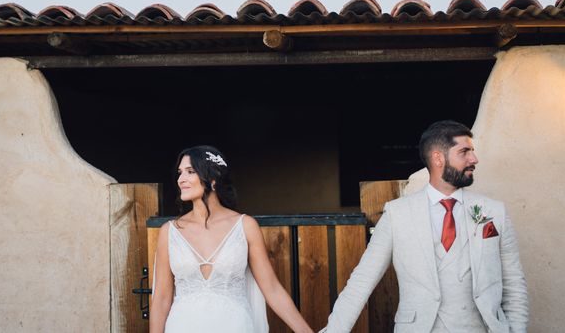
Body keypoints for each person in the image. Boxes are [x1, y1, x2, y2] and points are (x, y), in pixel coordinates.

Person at [322, 121, 529, 333]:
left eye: (473, 152)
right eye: (464, 152)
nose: (474, 159)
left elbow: (514, 285)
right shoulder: (397, 214)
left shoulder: (494, 212)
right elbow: (362, 280)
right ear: (438, 158)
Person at [149, 145, 313, 333]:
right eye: (180, 173)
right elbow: (161, 298)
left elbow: (272, 289)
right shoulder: (170, 232)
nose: (181, 180)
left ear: (213, 178)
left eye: (190, 171)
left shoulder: (245, 226)